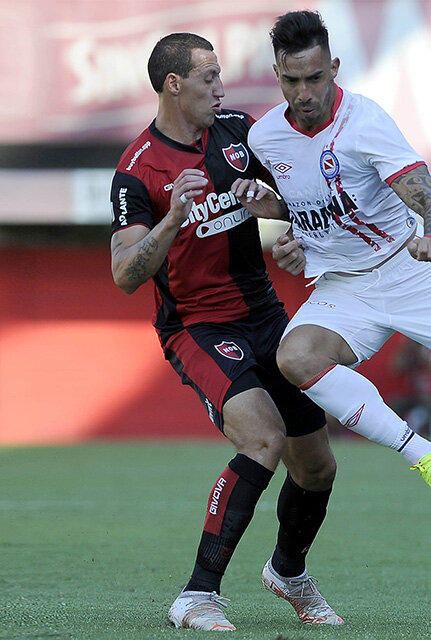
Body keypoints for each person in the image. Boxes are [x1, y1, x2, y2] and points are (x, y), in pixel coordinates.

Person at [236, 10, 431, 511]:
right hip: (344, 287)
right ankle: (426, 455)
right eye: (292, 80)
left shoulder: (366, 123)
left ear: (335, 68)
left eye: (315, 78)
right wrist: (280, 220)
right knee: (294, 356)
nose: (304, 94)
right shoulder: (265, 137)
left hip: (410, 272)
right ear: (276, 75)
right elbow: (308, 201)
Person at [109, 33, 343, 631]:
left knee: (318, 467)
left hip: (266, 317)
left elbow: (300, 199)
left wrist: (288, 225)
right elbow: (125, 274)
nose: (221, 87)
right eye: (208, 77)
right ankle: (197, 595)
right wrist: (169, 224)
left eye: (220, 76)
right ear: (173, 85)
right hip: (198, 326)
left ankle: (289, 571)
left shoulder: (241, 131)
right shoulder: (139, 169)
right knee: (262, 438)